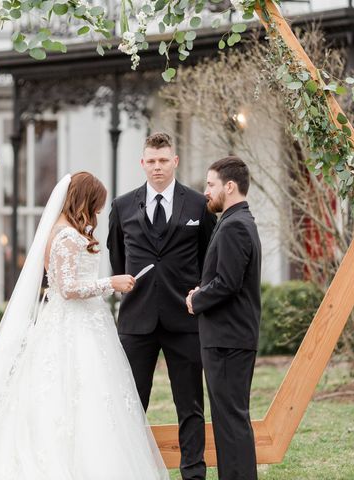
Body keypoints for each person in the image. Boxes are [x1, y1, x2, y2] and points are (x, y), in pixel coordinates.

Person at [0, 172, 168, 480]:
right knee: (74, 396)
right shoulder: (65, 237)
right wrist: (109, 283)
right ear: (83, 200)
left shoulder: (66, 231)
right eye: (96, 205)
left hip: (82, 325)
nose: (98, 213)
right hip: (74, 328)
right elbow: (67, 289)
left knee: (90, 401)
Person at [108, 132, 216, 480]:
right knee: (130, 405)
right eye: (151, 161)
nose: (157, 167)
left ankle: (194, 473)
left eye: (163, 160)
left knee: (190, 405)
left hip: (184, 319)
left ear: (175, 162)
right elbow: (118, 258)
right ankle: (129, 471)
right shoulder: (122, 206)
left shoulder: (198, 205)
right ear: (143, 163)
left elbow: (208, 257)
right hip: (136, 321)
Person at [186, 157, 262, 480]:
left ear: (229, 186)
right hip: (228, 339)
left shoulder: (234, 227)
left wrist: (196, 299)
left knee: (231, 424)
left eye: (211, 185)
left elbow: (228, 284)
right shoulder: (236, 222)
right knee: (229, 422)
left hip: (228, 341)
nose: (206, 192)